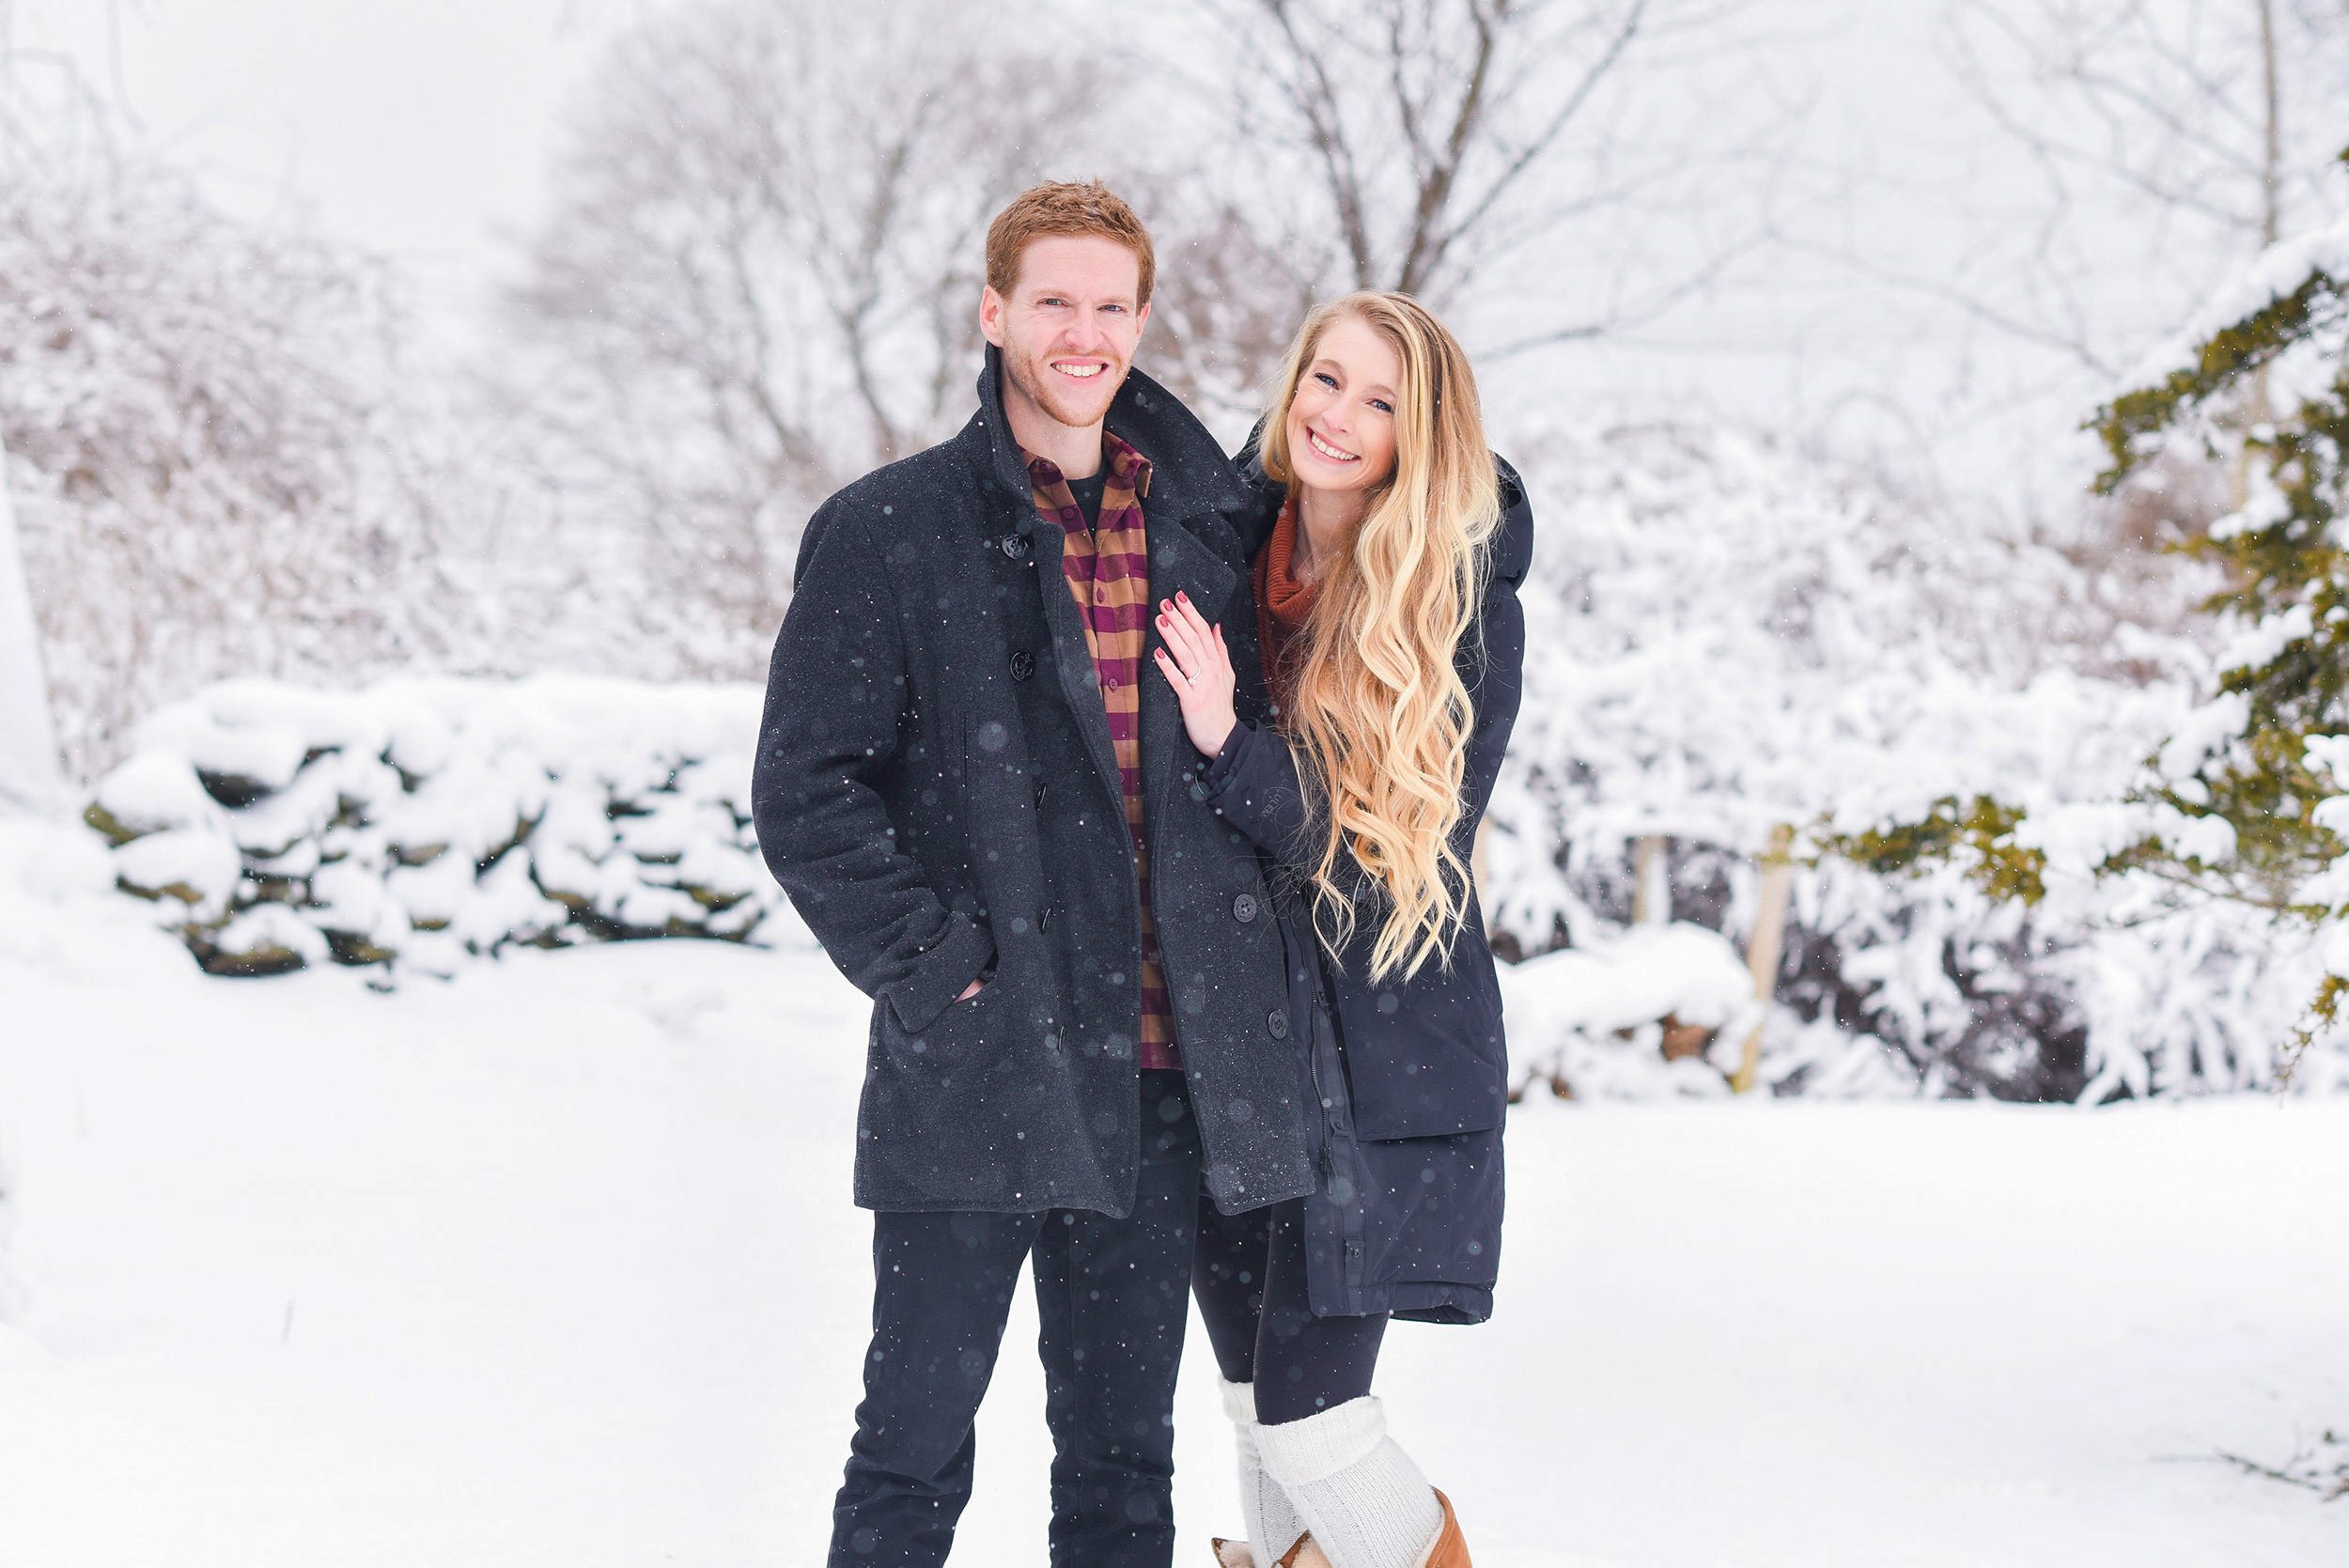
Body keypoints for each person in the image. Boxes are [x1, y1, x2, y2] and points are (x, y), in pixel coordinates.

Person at [752, 179, 1315, 1568]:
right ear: (994, 311)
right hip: (976, 1069)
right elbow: (805, 794)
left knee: (1124, 1471)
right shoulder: (891, 531)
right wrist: (946, 973)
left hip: (1159, 1080)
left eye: (1111, 305)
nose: (1084, 333)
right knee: (912, 1454)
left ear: (1140, 319)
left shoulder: (1212, 536)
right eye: (1054, 301)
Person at [1152, 292, 1532, 1568]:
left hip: (1374, 1061)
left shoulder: (1459, 608)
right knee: (1258, 1416)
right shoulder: (1219, 552)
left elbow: (1389, 855)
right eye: (1327, 378)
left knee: (1316, 1422)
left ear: (1419, 436)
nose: (1339, 416)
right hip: (1231, 1044)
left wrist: (1230, 746)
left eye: (1381, 401)